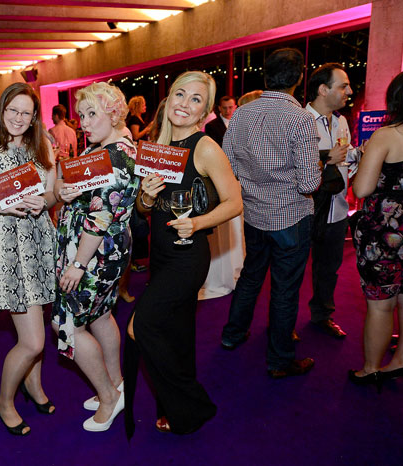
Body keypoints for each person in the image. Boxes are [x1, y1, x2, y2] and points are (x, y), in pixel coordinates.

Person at [124, 71, 242, 436]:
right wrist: (145, 195)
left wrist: (200, 222)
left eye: (195, 100)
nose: (184, 104)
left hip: (188, 256)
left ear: (205, 111)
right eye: (180, 94)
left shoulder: (204, 147)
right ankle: (175, 408)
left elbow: (235, 202)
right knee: (176, 332)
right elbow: (147, 210)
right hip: (160, 254)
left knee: (139, 326)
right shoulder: (157, 147)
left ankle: (191, 402)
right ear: (168, 99)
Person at [220, 48, 321, 379]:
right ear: (299, 78)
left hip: (253, 213)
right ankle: (279, 360)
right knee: (285, 289)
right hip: (291, 216)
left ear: (265, 75)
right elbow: (309, 182)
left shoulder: (241, 115)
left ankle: (233, 335)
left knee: (251, 275)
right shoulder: (301, 119)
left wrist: (254, 181)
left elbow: (228, 165)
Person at [0, 82, 57, 436]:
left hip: (40, 240)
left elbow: (50, 192)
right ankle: (4, 400)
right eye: (12, 110)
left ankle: (33, 387)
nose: (18, 118)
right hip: (7, 245)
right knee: (33, 340)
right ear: (1, 110)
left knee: (37, 322)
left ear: (35, 117)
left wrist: (43, 201)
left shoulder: (41, 143)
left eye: (26, 113)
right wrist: (0, 205)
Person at [51, 82, 139, 432]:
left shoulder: (115, 155)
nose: (84, 123)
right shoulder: (111, 148)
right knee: (101, 316)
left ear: (114, 113)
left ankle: (108, 396)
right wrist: (66, 190)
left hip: (94, 254)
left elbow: (99, 217)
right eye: (82, 115)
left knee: (66, 326)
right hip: (106, 251)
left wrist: (77, 263)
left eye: (92, 114)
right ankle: (117, 383)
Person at [349, 72, 403, 388]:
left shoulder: (386, 135)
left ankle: (372, 368)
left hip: (384, 235)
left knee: (381, 303)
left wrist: (368, 157)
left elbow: (363, 187)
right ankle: (399, 361)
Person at [305, 63, 357, 339]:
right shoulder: (298, 120)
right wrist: (325, 158)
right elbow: (286, 164)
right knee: (290, 271)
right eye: (342, 86)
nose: (349, 91)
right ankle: (282, 325)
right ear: (323, 90)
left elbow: (347, 159)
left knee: (329, 268)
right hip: (303, 209)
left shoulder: (341, 121)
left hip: (336, 209)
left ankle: (322, 314)